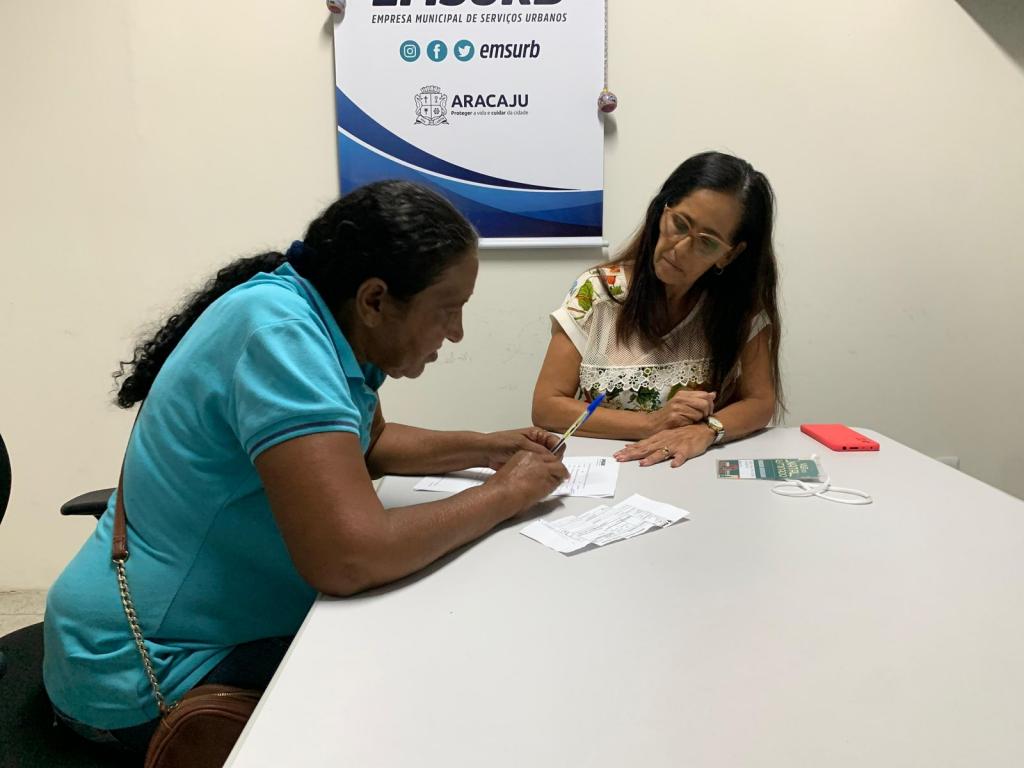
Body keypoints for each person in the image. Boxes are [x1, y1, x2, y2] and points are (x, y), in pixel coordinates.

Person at [43, 180, 569, 755]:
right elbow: (349, 557)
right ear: (375, 300)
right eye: (448, 309)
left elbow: (369, 441)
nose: (456, 332)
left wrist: (487, 447)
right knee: (420, 692)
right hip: (142, 666)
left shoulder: (314, 316)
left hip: (190, 631)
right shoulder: (281, 337)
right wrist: (505, 494)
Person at [532, 151, 782, 468]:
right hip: (607, 469)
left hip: (693, 470)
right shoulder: (596, 292)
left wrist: (708, 430)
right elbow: (546, 407)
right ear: (662, 210)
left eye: (706, 242)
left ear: (729, 255)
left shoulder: (740, 307)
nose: (680, 249)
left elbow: (760, 402)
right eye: (679, 224)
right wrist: (651, 423)